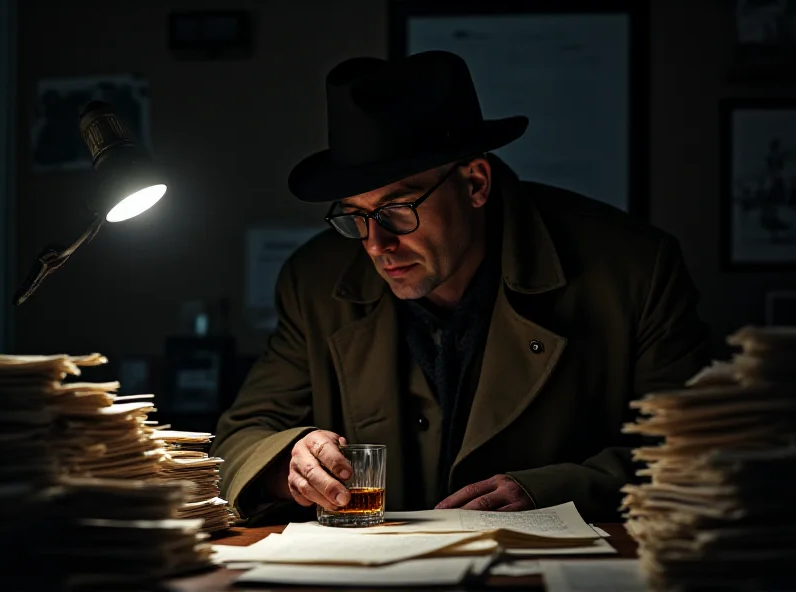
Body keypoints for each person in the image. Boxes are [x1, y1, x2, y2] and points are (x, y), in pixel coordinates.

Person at [211, 51, 709, 523]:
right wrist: (288, 463)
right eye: (355, 217)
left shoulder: (633, 269)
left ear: (475, 183)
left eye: (397, 210)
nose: (374, 245)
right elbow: (239, 439)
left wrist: (555, 491)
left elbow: (698, 450)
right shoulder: (314, 282)